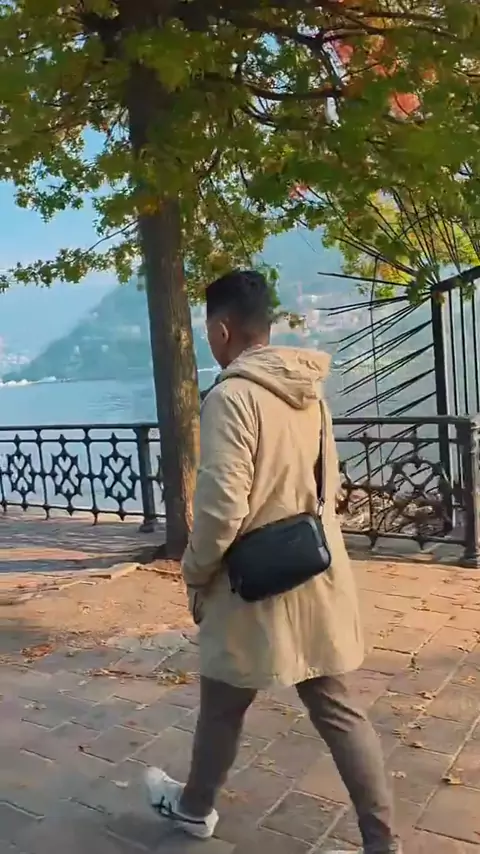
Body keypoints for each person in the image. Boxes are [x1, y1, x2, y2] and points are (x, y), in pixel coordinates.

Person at [145, 270, 401, 854]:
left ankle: (195, 810)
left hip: (250, 585)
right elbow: (328, 484)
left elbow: (221, 509)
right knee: (338, 709)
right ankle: (383, 840)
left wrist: (195, 572)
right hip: (314, 570)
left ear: (221, 330)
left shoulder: (232, 397)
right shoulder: (309, 392)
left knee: (222, 704)